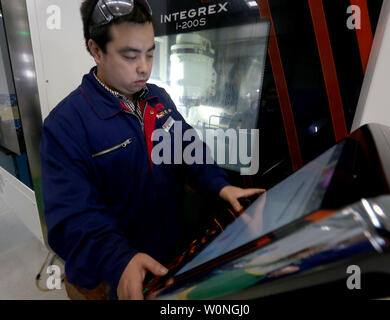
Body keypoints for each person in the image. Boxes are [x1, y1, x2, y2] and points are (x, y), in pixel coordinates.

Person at [40, 0, 265, 300]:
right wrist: (119, 260)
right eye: (130, 56)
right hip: (116, 274)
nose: (144, 67)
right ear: (96, 50)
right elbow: (71, 217)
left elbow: (188, 147)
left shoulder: (158, 99)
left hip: (172, 258)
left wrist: (220, 186)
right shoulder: (65, 124)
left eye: (150, 53)